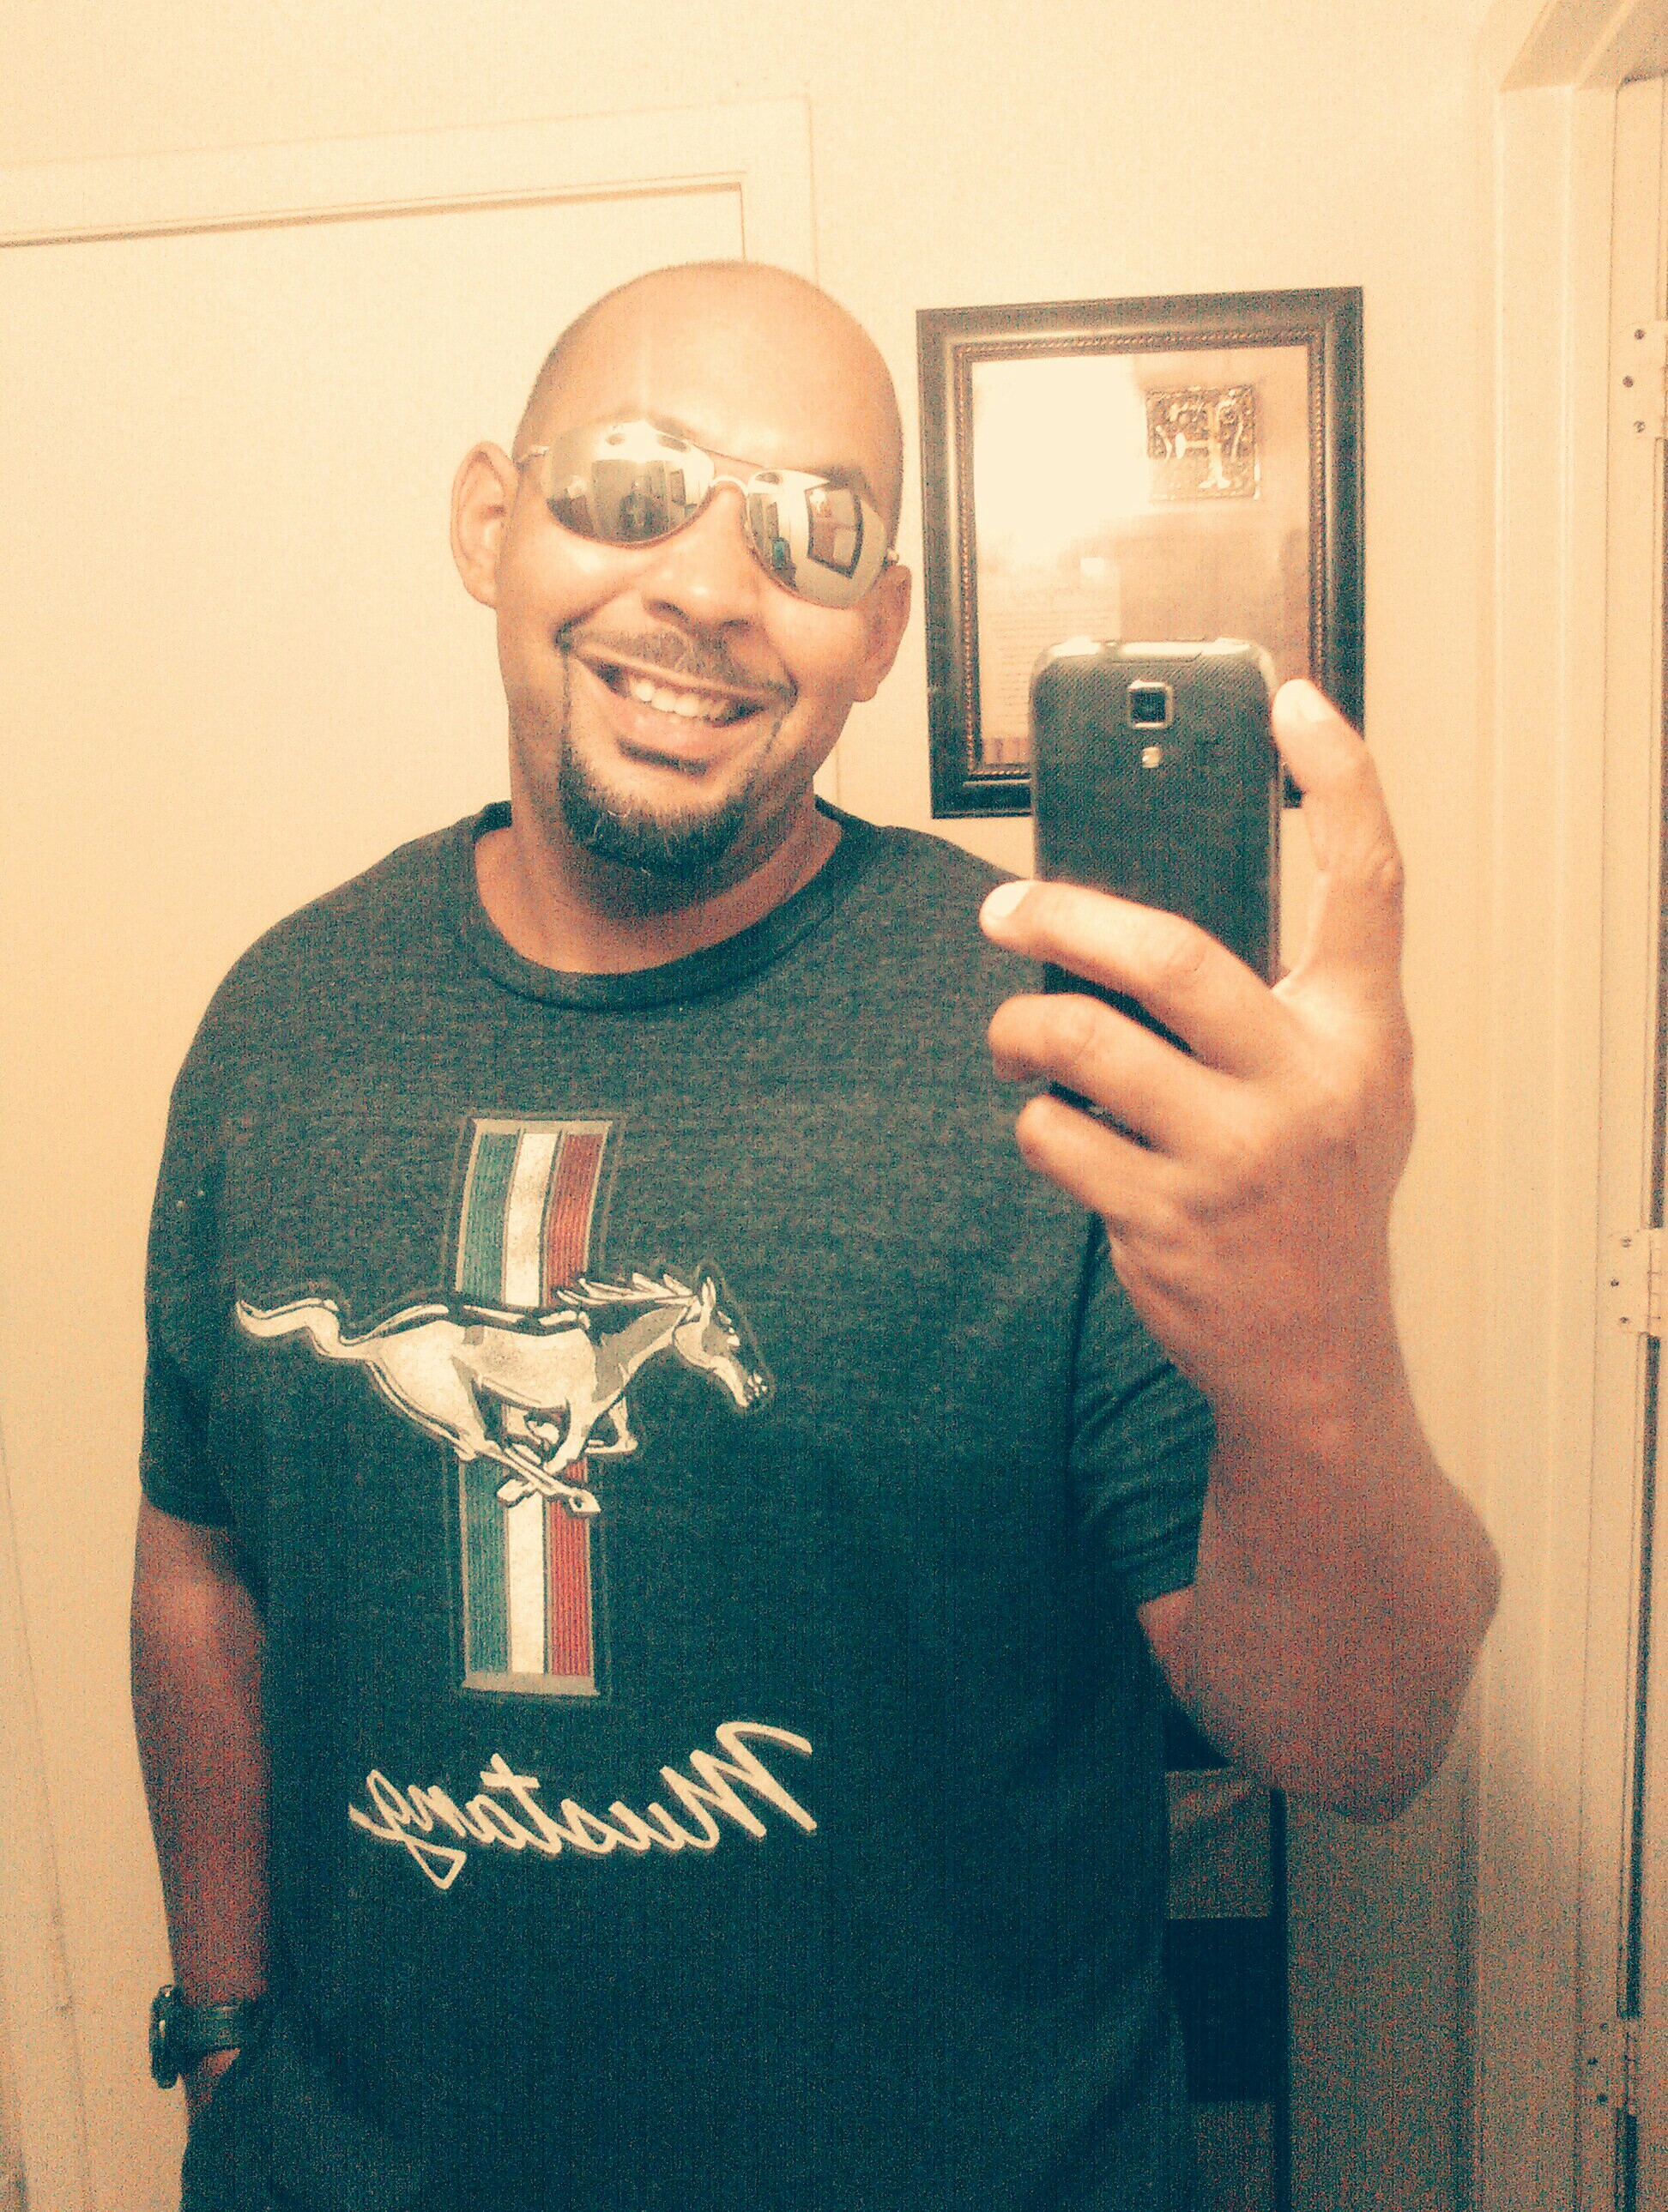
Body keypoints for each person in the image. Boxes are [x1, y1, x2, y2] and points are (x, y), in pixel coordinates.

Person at [131, 259, 1499, 2212]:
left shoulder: (1064, 1048)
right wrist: (222, 2029)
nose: (707, 582)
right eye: (631, 486)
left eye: (811, 530)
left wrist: (1323, 1339)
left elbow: (1360, 1735)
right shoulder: (281, 1023)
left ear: (881, 630)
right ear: (488, 522)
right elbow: (199, 1567)